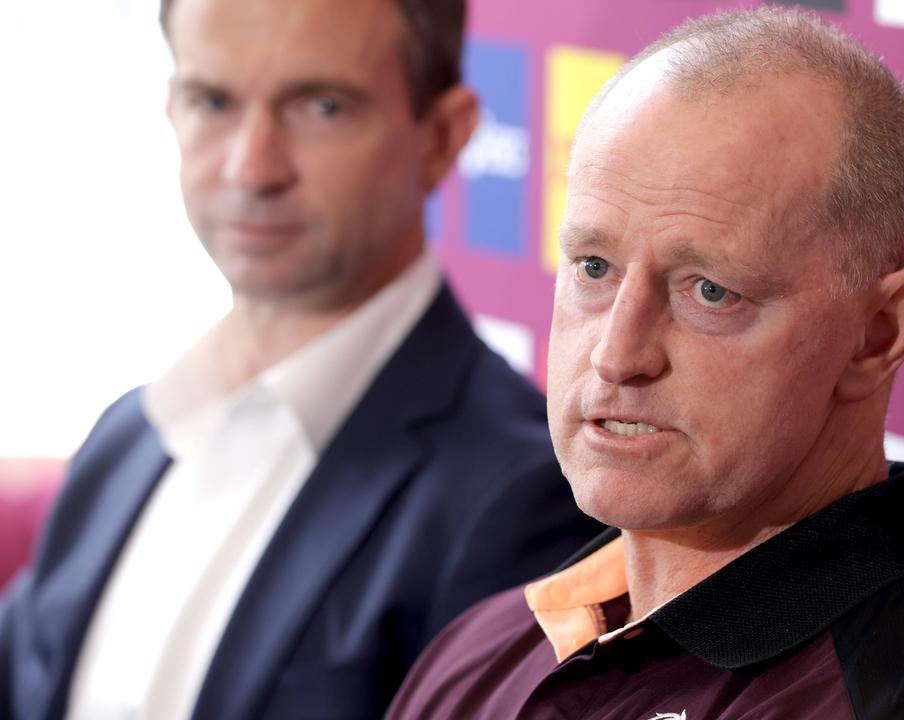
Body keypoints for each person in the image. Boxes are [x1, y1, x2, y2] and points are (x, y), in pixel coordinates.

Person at [385, 8, 904, 719]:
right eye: (594, 267)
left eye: (710, 291)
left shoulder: (895, 704)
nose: (616, 355)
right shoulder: (481, 651)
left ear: (878, 334)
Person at [0, 0, 602, 717]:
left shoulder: (524, 497)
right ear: (172, 110)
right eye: (213, 100)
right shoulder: (125, 435)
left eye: (321, 107)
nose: (251, 167)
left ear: (444, 136)